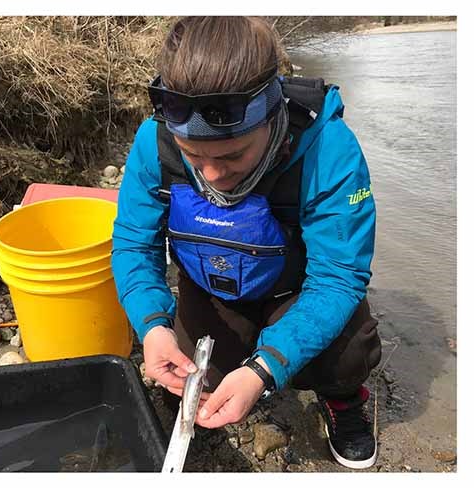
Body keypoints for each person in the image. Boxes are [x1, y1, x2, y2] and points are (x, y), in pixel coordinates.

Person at [112, 17, 380, 469]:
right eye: (194, 155)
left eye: (234, 154)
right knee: (196, 376)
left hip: (294, 291)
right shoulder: (152, 144)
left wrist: (265, 368)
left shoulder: (328, 148)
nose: (213, 174)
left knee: (348, 350)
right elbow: (134, 245)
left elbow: (338, 277)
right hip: (213, 288)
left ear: (272, 114)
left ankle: (344, 400)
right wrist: (152, 325)